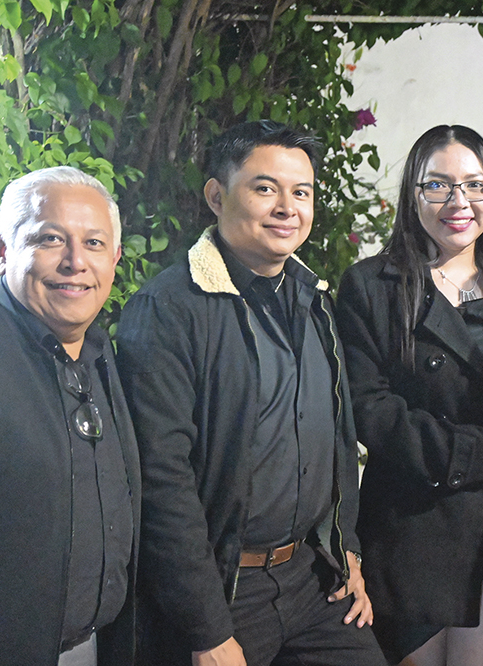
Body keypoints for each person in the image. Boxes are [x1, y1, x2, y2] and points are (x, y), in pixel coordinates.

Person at [115, 120, 386, 666]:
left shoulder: (313, 297)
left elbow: (336, 438)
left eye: (302, 192)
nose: (287, 207)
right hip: (224, 590)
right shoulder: (170, 309)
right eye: (265, 188)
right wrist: (206, 629)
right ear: (216, 196)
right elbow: (160, 479)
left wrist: (346, 548)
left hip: (311, 579)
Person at [334, 125, 483, 666]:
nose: (459, 201)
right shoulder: (372, 286)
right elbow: (368, 407)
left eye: (475, 185)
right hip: (412, 527)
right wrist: (475, 453)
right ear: (413, 194)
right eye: (438, 185)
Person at [0, 166, 139, 665]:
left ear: (115, 259)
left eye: (94, 243)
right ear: (2, 250)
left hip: (90, 647)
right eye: (50, 239)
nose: (75, 262)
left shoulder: (102, 354)